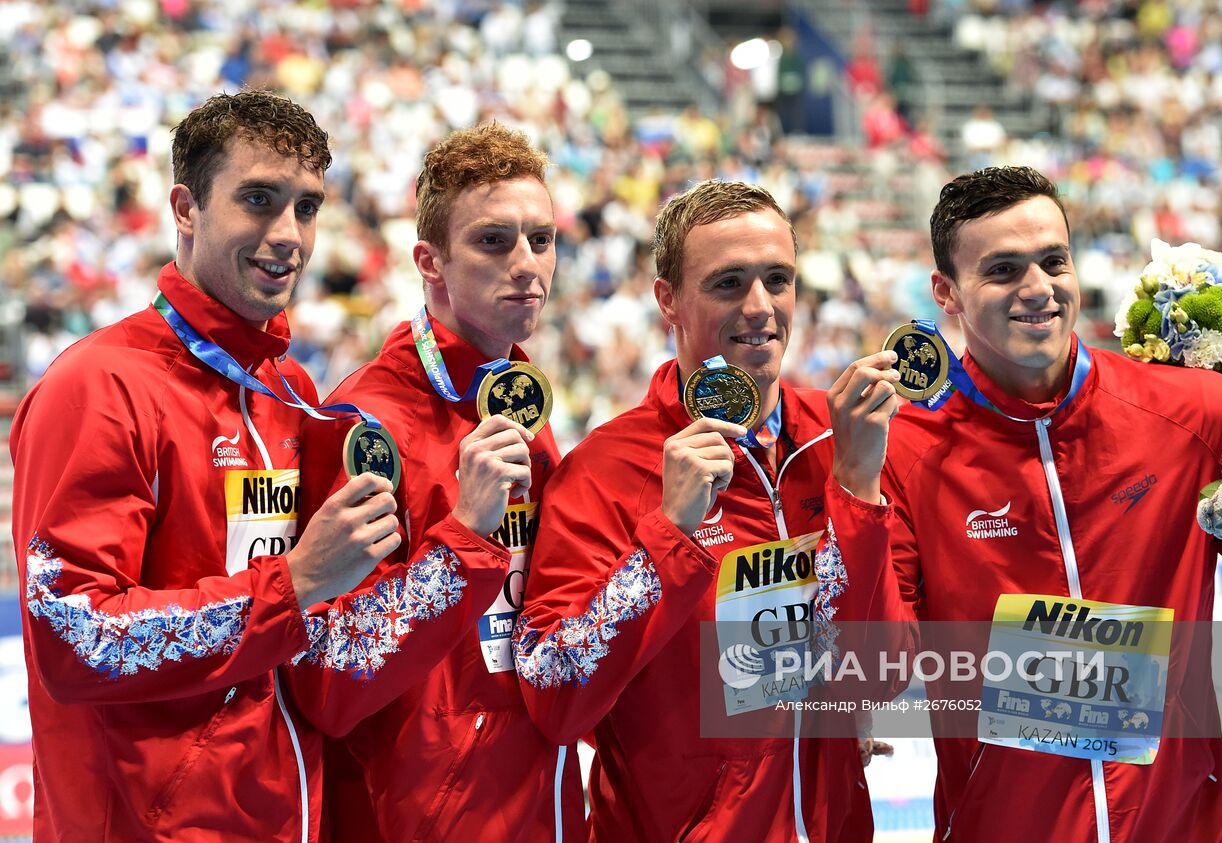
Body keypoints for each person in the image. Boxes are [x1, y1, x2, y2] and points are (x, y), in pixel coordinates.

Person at [882, 166, 1222, 842]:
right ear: (946, 292)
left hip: (1180, 824)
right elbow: (883, 656)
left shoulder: (1196, 412)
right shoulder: (906, 449)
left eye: (1053, 260)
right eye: (1002, 270)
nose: (1037, 289)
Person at [10, 91, 409, 841]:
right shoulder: (98, 387)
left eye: (307, 207)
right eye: (258, 200)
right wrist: (295, 583)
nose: (287, 234)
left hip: (285, 814)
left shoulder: (289, 391)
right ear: (186, 208)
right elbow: (74, 640)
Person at [513, 178, 909, 840]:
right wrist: (667, 536)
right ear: (668, 299)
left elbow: (880, 674)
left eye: (777, 279)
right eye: (729, 283)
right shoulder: (604, 472)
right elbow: (557, 698)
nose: (761, 306)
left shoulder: (837, 438)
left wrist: (859, 485)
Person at [284, 123, 585, 841]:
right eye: (493, 241)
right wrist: (465, 537)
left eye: (541, 240)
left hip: (539, 803)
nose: (527, 265)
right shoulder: (363, 423)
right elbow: (328, 680)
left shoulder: (520, 404)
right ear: (430, 260)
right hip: (416, 817)